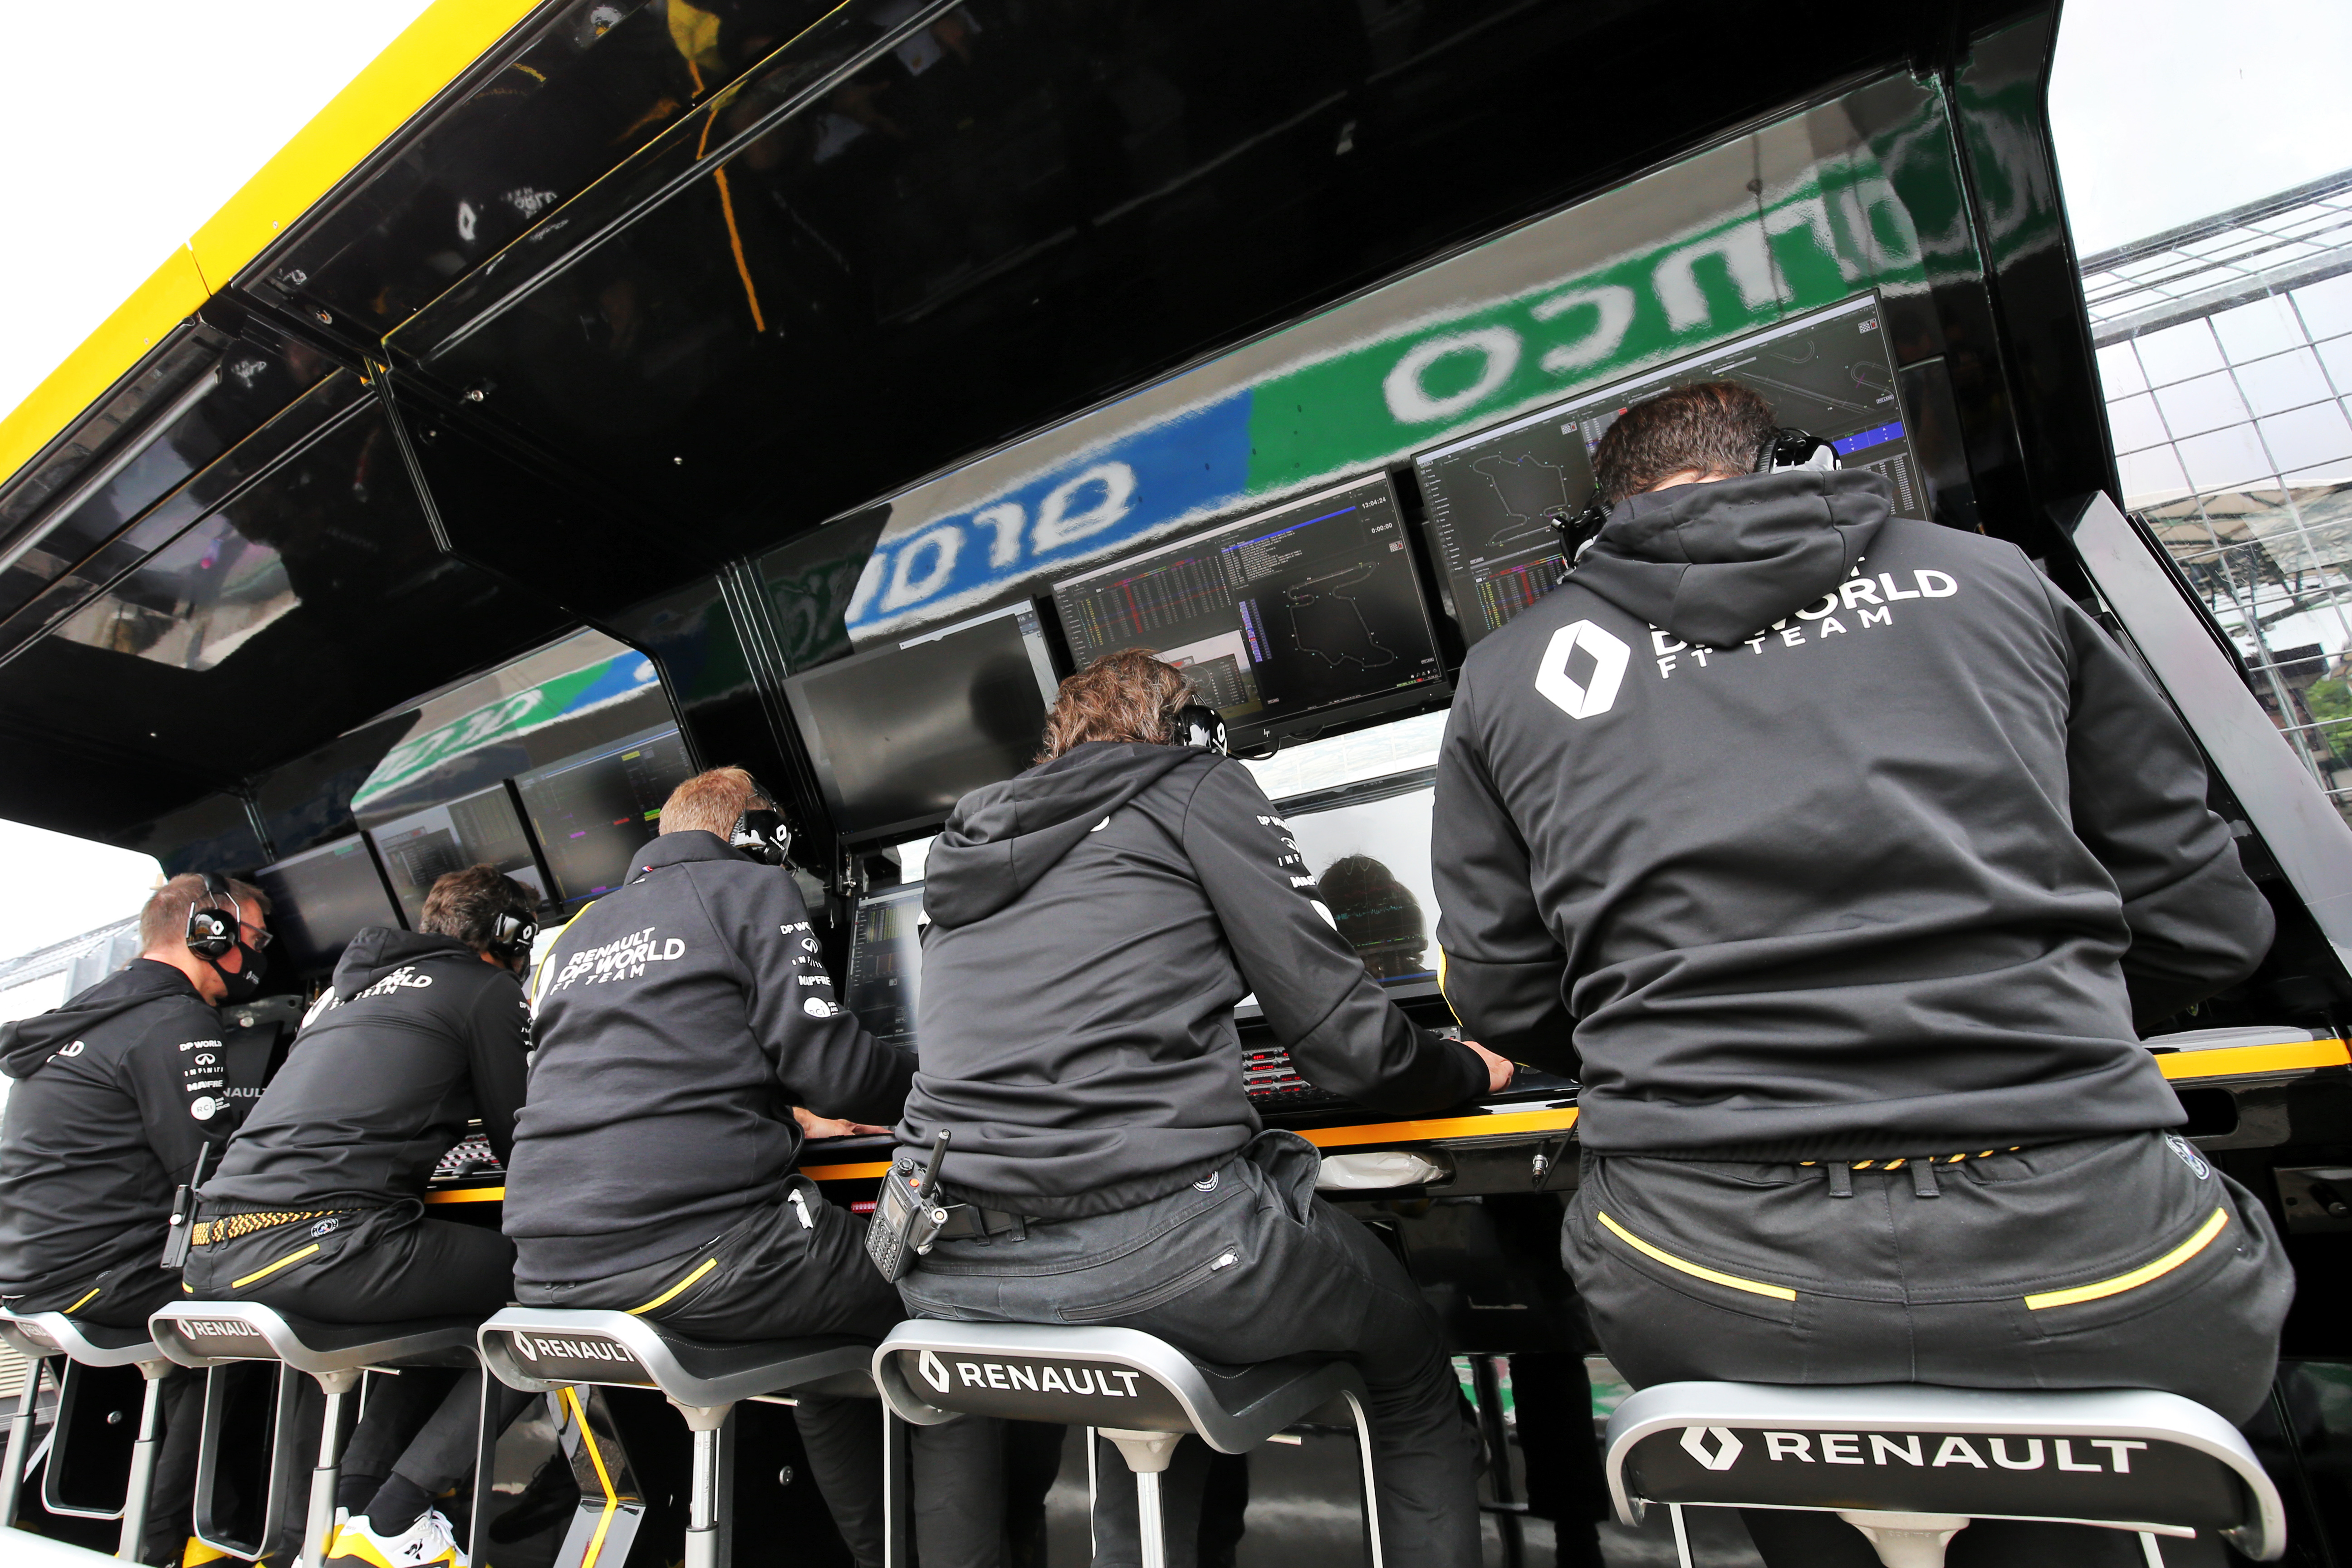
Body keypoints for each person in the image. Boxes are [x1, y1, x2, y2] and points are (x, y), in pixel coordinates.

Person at [1429, 379, 2293, 1567]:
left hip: (1709, 1267)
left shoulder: (1509, 672)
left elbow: (1506, 995)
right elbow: (2206, 920)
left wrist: (1677, 1044)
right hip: (2093, 1250)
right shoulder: (1993, 580)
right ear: (1797, 462)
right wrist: (2048, 1003)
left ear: (1603, 525)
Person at [892, 649, 1514, 1568]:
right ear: (1189, 731)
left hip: (948, 1272)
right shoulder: (1194, 785)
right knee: (1411, 1355)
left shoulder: (963, 850)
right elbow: (1348, 1046)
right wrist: (1465, 1069)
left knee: (1149, 1366)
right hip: (1158, 1257)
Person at [502, 767, 998, 1568]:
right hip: (698, 1262)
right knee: (956, 1302)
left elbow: (633, 1074)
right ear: (757, 838)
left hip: (548, 1278)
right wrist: (952, 1087)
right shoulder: (746, 890)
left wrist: (779, 1109)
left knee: (819, 1338)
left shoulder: (574, 935)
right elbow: (835, 1072)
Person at [185, 864, 540, 1568]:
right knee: (557, 1287)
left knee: (444, 1304)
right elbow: (524, 1137)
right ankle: (396, 1518)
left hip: (213, 1249)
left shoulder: (337, 998)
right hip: (321, 1244)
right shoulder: (485, 990)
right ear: (513, 936)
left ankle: (356, 1509)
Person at [0, 872, 274, 1564]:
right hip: (100, 1279)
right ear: (208, 934)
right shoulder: (174, 1020)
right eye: (254, 937)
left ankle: (198, 1523)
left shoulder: (95, 1011)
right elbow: (211, 1170)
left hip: (34, 1278)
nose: (259, 954)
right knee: (259, 1303)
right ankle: (179, 1541)